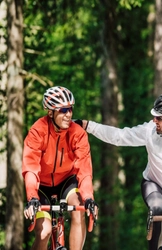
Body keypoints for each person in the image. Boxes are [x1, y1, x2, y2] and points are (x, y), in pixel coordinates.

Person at [76, 91, 162, 250]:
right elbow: (119, 136)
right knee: (157, 208)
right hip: (153, 185)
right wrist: (88, 126)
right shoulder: (149, 131)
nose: (154, 121)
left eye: (158, 118)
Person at [22, 86, 98, 250]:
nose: (69, 114)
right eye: (63, 110)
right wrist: (32, 197)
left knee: (78, 211)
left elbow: (84, 169)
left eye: (70, 109)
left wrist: (89, 198)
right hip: (41, 185)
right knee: (44, 232)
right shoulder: (37, 131)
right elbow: (30, 167)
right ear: (50, 113)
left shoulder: (78, 133)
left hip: (66, 181)